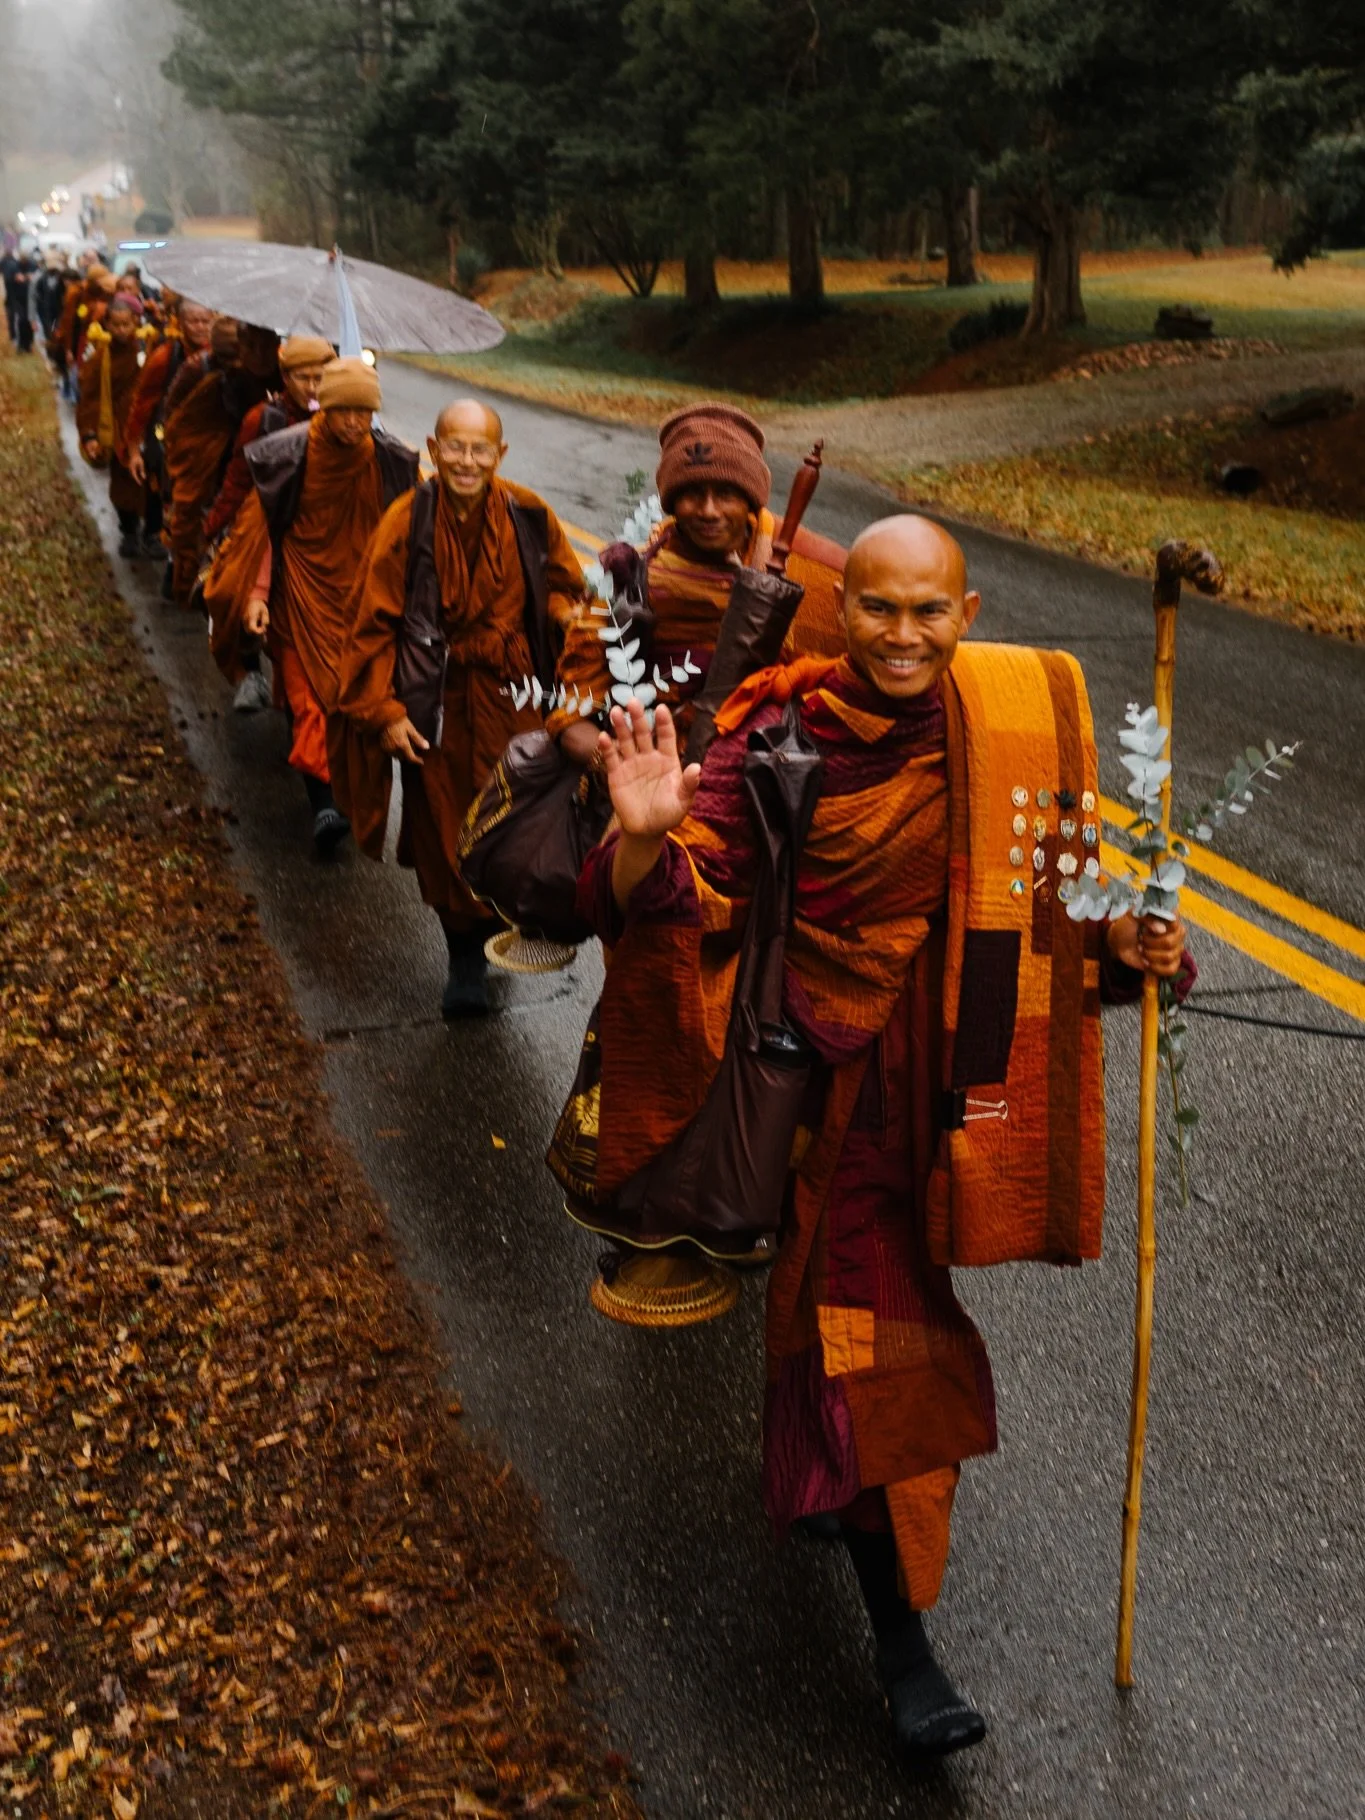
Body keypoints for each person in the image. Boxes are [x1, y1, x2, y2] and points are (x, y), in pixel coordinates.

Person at [562, 514, 1193, 1766]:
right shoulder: (776, 733)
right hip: (824, 1098)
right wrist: (639, 836)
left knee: (833, 1330)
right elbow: (685, 884)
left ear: (970, 610)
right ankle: (905, 1650)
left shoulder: (1014, 724)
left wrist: (1129, 942)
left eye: (928, 612)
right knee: (865, 1335)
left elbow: (1061, 885)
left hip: (957, 1082)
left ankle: (829, 1477)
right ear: (837, 610)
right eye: (877, 609)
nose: (903, 636)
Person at [332, 399, 586, 1016]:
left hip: (515, 693)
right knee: (447, 827)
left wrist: (562, 615)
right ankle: (463, 959)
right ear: (432, 447)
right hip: (437, 696)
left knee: (516, 818)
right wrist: (385, 711)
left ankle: (509, 925)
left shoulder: (527, 512)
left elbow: (563, 584)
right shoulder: (407, 520)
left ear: (499, 455)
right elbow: (370, 623)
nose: (467, 460)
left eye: (480, 449)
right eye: (455, 446)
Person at [548, 401, 846, 768]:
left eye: (725, 494)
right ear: (672, 502)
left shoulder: (804, 573)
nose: (708, 510)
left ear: (751, 501)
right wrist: (627, 768)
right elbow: (570, 718)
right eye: (691, 493)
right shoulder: (628, 580)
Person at [202, 357, 419, 855]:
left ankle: (341, 797)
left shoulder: (392, 461)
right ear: (325, 406)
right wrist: (257, 595)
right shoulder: (288, 456)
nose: (354, 423)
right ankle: (324, 804)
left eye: (365, 413)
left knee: (354, 706)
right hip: (299, 595)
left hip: (364, 605)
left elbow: (409, 534)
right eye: (345, 410)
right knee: (309, 705)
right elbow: (263, 533)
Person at [201, 333, 334, 713]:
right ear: (284, 376)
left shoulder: (344, 416)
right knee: (229, 593)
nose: (313, 386)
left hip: (320, 530)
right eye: (303, 377)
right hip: (265, 522)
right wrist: (214, 529)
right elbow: (239, 480)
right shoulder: (262, 418)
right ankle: (248, 671)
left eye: (321, 377)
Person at [123, 296, 215, 578]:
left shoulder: (221, 354)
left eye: (205, 320)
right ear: (181, 322)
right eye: (193, 321)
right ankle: (168, 556)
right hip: (167, 440)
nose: (200, 327)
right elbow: (142, 403)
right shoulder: (166, 356)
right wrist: (134, 448)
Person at [76, 292, 160, 557]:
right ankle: (129, 532)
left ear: (136, 321)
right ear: (107, 325)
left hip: (149, 427)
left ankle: (153, 534)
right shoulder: (101, 356)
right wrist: (90, 435)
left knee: (154, 482)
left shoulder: (149, 348)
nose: (122, 330)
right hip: (118, 430)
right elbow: (90, 399)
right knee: (123, 484)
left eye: (127, 323)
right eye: (116, 324)